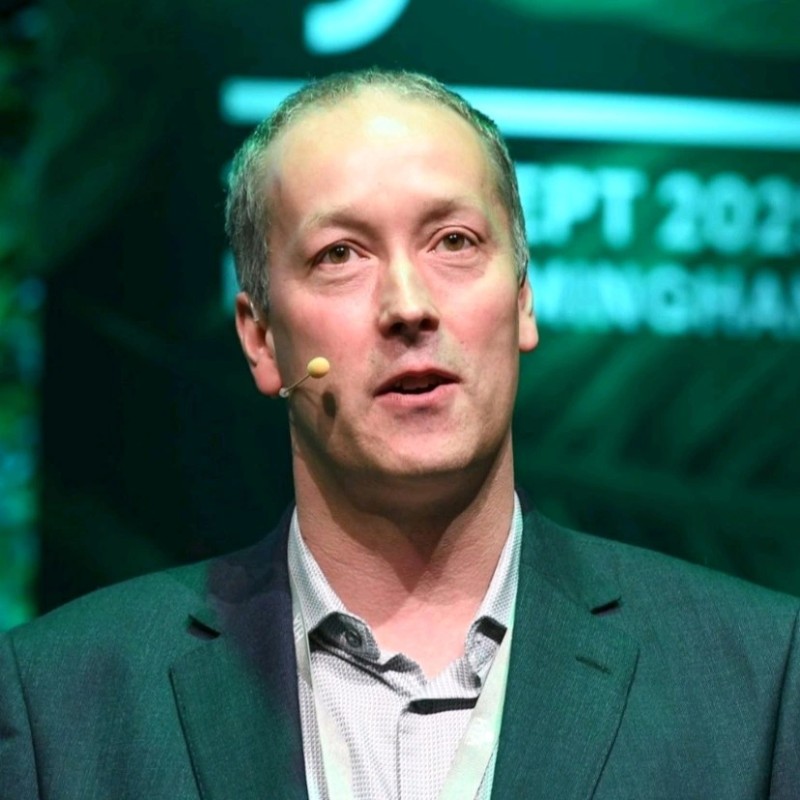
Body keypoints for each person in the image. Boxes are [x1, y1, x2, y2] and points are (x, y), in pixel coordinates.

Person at [1, 68, 798, 800]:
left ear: (523, 302)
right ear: (261, 339)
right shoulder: (62, 701)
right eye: (340, 255)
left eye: (454, 241)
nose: (409, 305)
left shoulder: (756, 678)